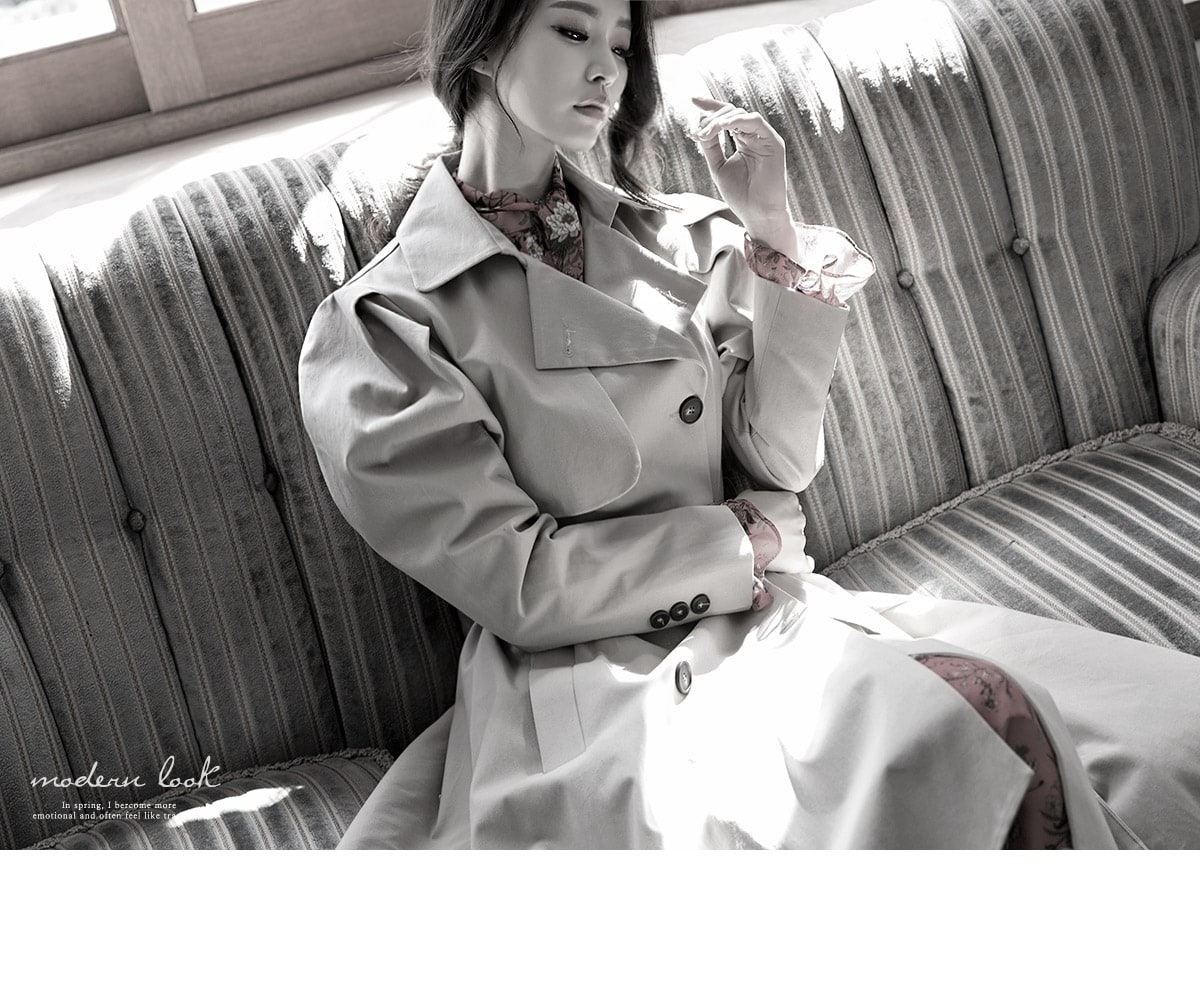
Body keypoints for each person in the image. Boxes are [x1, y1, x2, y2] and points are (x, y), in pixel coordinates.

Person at [299, 0, 1200, 849]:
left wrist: (770, 224)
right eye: (572, 31)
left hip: (759, 617)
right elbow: (523, 587)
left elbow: (778, 458)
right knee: (948, 748)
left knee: (1064, 735)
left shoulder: (678, 239)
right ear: (484, 41)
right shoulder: (387, 324)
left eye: (621, 43)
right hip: (590, 682)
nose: (607, 69)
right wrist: (741, 541)